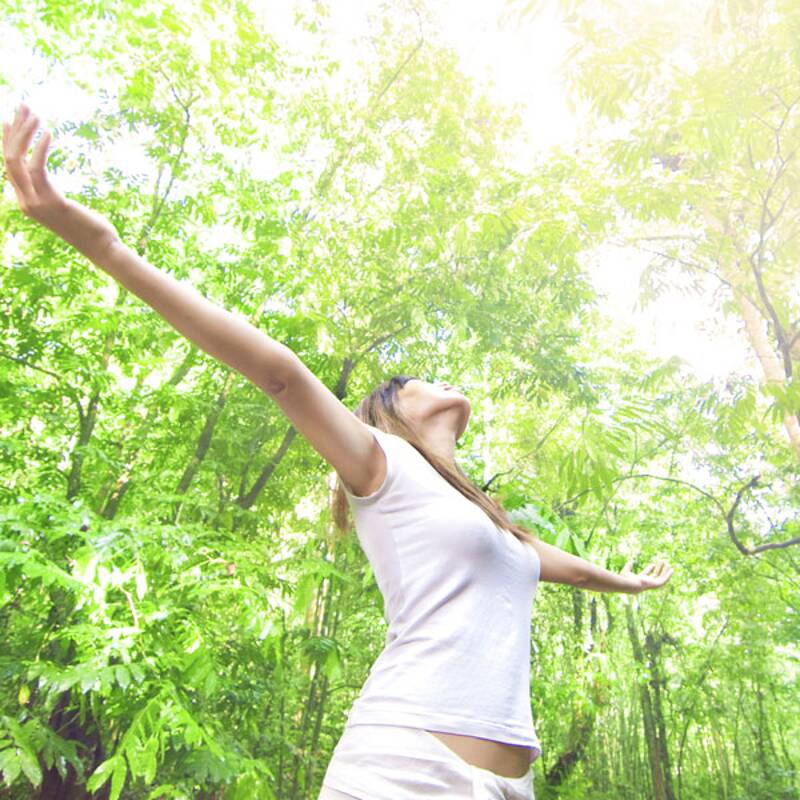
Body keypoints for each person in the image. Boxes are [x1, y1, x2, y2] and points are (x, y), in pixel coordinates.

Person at [3, 104, 673, 800]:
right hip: (404, 768)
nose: (442, 382)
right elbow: (279, 371)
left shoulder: (497, 525)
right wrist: (102, 245)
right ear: (390, 414)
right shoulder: (383, 462)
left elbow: (580, 573)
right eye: (420, 381)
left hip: (509, 786)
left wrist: (635, 582)